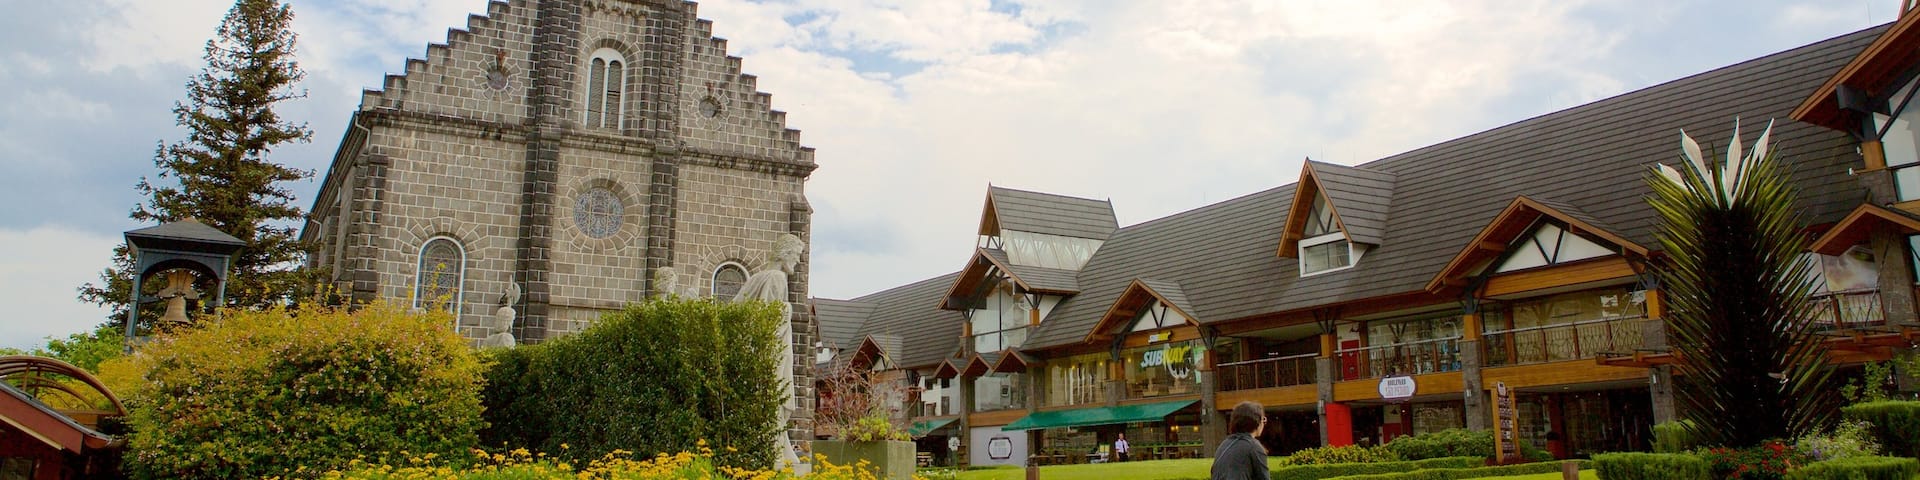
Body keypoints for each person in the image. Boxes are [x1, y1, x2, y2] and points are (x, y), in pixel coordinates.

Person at [1212, 401, 1270, 480]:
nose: (1264, 423)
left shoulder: (1224, 444)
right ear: (1257, 421)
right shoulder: (1253, 447)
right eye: (1263, 419)